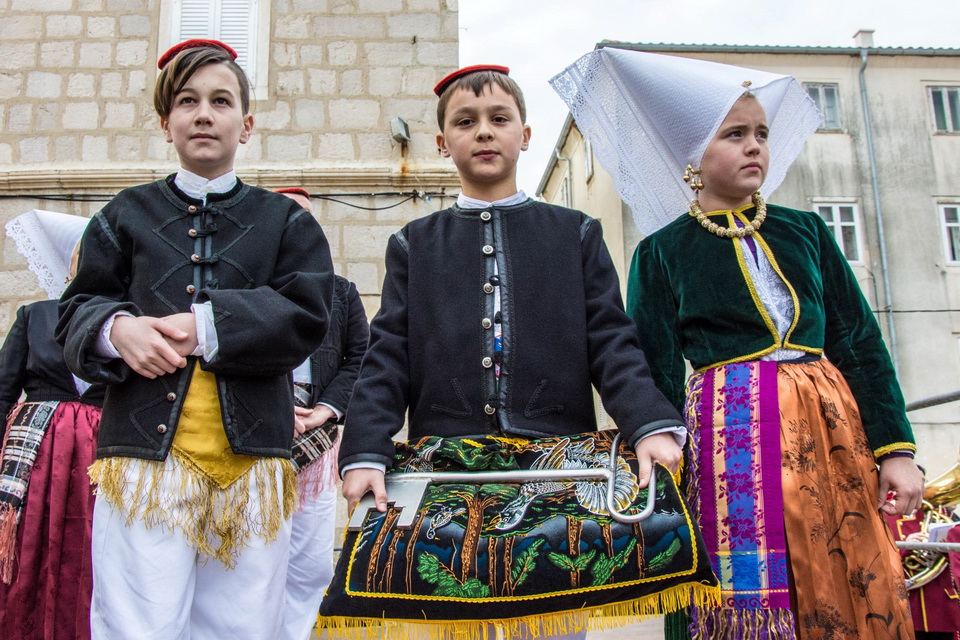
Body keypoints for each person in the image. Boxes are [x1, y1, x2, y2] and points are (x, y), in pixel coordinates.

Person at [551, 48, 923, 639]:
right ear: (693, 156)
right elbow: (653, 368)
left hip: (829, 434)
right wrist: (653, 461)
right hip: (729, 443)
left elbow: (859, 342)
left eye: (761, 134)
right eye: (735, 135)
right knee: (743, 586)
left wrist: (895, 449)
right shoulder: (664, 250)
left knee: (838, 565)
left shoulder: (807, 231)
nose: (755, 146)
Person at [339, 64, 688, 640]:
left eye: (499, 119)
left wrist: (649, 422)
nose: (483, 132)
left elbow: (611, 341)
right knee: (457, 626)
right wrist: (366, 451)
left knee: (551, 625)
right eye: (466, 121)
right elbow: (388, 356)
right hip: (448, 472)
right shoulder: (413, 244)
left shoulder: (575, 232)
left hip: (557, 469)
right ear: (442, 141)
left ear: (524, 134)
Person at [56, 39, 334, 639]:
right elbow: (74, 310)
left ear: (247, 123)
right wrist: (116, 329)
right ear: (166, 123)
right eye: (187, 101)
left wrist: (207, 325)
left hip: (253, 466)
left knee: (243, 626)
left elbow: (308, 314)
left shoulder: (287, 222)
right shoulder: (123, 214)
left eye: (220, 100)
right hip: (141, 466)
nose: (204, 113)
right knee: (137, 625)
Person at [0, 210, 103, 640]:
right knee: (30, 546)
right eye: (85, 253)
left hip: (101, 457)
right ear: (69, 263)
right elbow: (4, 389)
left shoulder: (128, 323)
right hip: (38, 454)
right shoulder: (35, 315)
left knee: (91, 550)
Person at [274, 187, 370, 640]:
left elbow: (360, 358)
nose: (301, 224)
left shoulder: (342, 293)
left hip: (315, 442)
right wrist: (275, 407)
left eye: (308, 217)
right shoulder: (247, 287)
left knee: (309, 561)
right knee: (251, 557)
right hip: (256, 436)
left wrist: (323, 412)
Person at [886, 466, 960, 640]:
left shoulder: (940, 513)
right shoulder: (886, 515)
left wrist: (944, 546)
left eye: (922, 482)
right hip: (909, 601)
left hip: (941, 601)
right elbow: (877, 555)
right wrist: (906, 545)